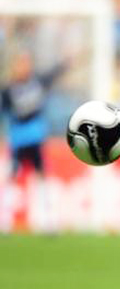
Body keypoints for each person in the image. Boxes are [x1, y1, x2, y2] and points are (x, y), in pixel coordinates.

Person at [1, 53, 67, 233]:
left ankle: (48, 221)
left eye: (26, 64)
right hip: (18, 140)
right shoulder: (9, 90)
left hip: (35, 139)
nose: (23, 68)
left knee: (42, 178)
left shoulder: (36, 83)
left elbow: (54, 74)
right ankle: (5, 220)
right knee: (12, 179)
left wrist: (67, 61)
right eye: (20, 64)